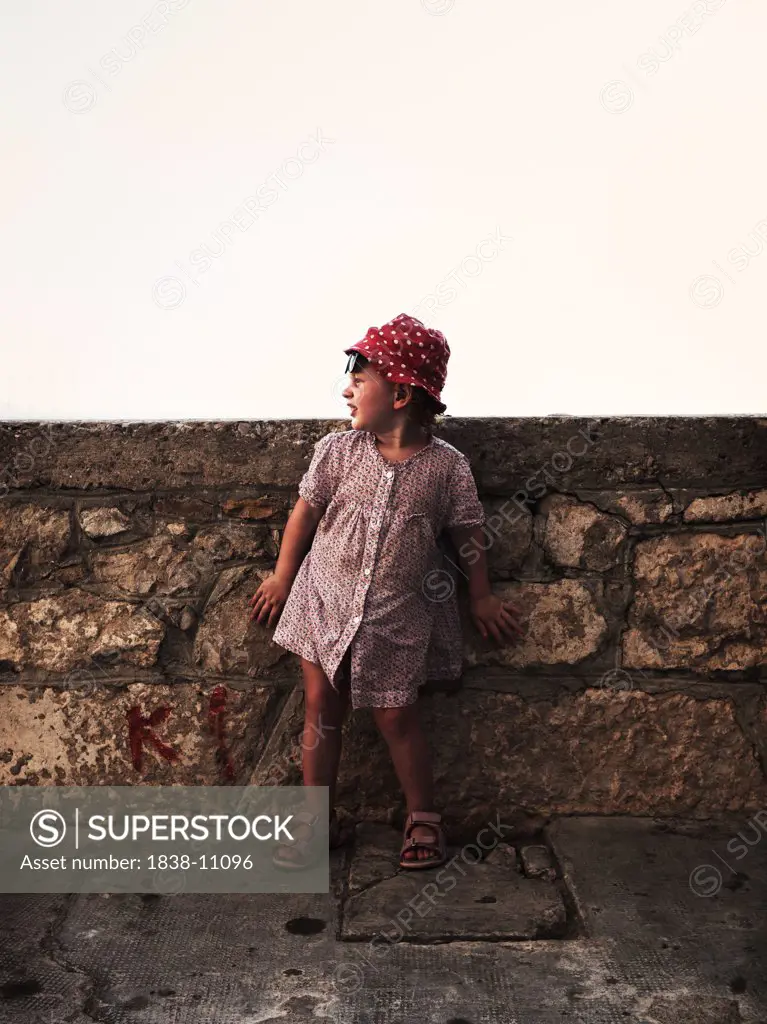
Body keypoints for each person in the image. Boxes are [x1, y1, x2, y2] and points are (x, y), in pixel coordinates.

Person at [248, 313, 523, 870]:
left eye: (360, 379)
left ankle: (422, 817)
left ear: (399, 393)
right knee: (321, 707)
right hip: (324, 602)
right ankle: (314, 822)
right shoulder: (338, 452)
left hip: (396, 617)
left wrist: (481, 598)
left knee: (398, 717)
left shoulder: (447, 468)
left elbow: (468, 534)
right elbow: (305, 512)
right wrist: (282, 575)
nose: (346, 390)